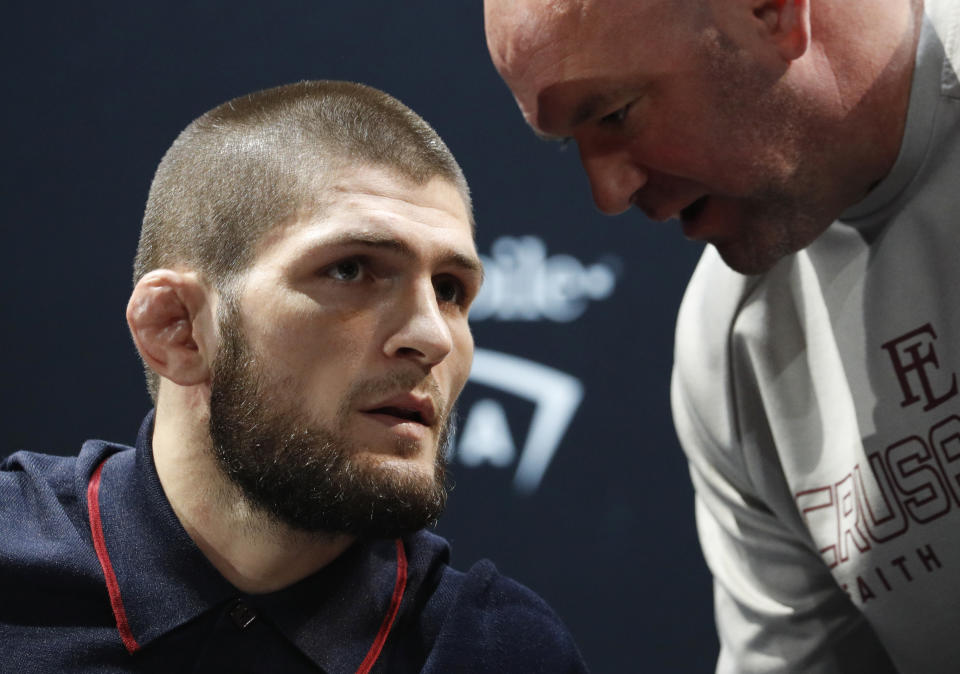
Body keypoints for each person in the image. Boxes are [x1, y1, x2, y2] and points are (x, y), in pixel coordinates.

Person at [0, 81, 589, 673]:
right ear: (177, 328)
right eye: (351, 269)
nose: (433, 337)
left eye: (449, 290)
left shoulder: (500, 652)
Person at [484, 0, 960, 671]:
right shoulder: (731, 338)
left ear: (771, 13)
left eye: (616, 113)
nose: (608, 193)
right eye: (572, 141)